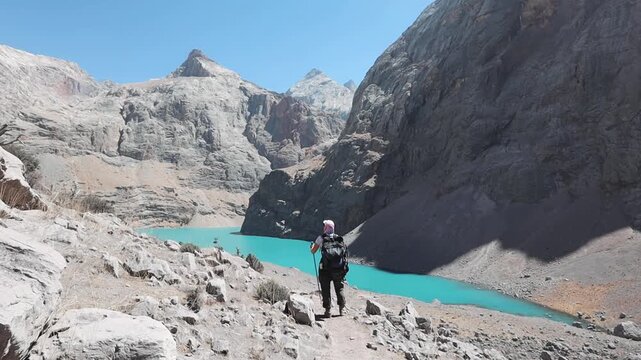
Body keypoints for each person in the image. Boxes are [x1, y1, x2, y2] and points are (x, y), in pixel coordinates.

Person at [310, 219, 349, 317]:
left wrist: (311, 247)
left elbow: (313, 251)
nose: (323, 227)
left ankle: (328, 311)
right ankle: (342, 309)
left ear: (326, 228)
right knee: (339, 288)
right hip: (338, 269)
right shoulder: (339, 238)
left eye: (324, 226)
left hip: (325, 268)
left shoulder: (321, 238)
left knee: (325, 288)